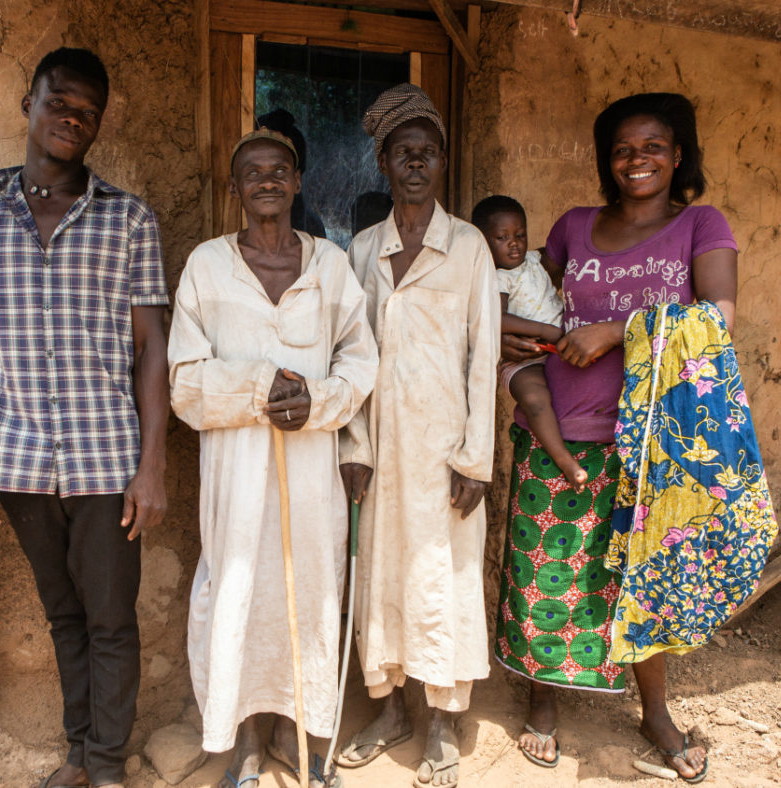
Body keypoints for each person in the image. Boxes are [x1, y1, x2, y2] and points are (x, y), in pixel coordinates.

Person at [496, 92, 738, 783]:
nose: (638, 160)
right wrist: (516, 341)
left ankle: (655, 711)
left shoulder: (701, 225)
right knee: (552, 564)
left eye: (653, 147)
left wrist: (618, 331)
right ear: (608, 159)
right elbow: (531, 301)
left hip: (657, 441)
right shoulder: (573, 227)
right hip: (564, 427)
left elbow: (717, 323)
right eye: (624, 149)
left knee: (646, 579)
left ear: (678, 154)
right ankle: (545, 697)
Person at [0, 47, 169, 788]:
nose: (71, 119)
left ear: (98, 125)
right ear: (28, 105)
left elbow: (151, 350)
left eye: (87, 111)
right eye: (59, 102)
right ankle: (79, 752)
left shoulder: (129, 220)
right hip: (18, 459)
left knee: (111, 619)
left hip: (108, 458)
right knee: (65, 616)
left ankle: (105, 763)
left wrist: (152, 465)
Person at [169, 129, 378, 788]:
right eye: (252, 172)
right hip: (235, 474)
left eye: (279, 169)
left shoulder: (330, 266)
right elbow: (183, 379)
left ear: (296, 184)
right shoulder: (208, 265)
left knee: (311, 598)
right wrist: (259, 389)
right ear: (235, 189)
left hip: (312, 467)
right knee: (239, 596)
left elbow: (361, 359)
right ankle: (248, 744)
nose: (266, 179)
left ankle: (304, 739)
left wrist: (317, 400)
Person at [334, 84, 500, 788]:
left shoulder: (467, 247)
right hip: (378, 449)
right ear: (382, 162)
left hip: (444, 453)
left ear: (441, 163)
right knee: (383, 578)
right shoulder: (362, 249)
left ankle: (440, 723)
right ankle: (392, 711)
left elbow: (484, 355)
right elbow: (347, 352)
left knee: (442, 582)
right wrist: (351, 448)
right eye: (403, 153)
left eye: (427, 153)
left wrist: (476, 459)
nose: (415, 164)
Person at [470, 196, 583, 490]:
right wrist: (547, 332)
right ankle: (565, 461)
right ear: (483, 242)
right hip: (522, 358)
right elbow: (498, 319)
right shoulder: (496, 278)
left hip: (557, 347)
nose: (514, 244)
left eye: (520, 235)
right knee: (535, 401)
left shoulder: (534, 260)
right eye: (502, 237)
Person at [256, 108, 328, 238]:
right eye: (255, 172)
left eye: (279, 170)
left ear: (297, 179)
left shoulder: (310, 229)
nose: (267, 183)